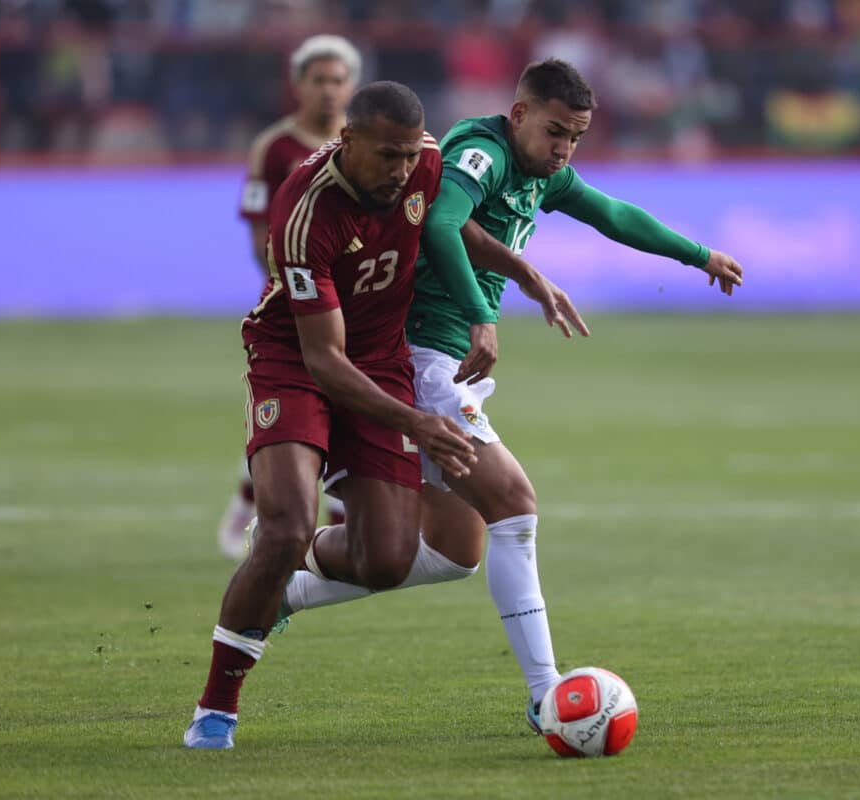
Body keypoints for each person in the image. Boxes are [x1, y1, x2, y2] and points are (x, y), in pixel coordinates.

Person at [272, 59, 743, 733]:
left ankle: (287, 587)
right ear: (519, 114)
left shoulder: (538, 172)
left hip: (442, 363)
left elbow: (610, 212)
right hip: (420, 357)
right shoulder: (481, 152)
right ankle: (546, 695)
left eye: (576, 138)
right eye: (555, 132)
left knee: (455, 552)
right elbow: (440, 222)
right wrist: (481, 313)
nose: (564, 150)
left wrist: (697, 255)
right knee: (514, 504)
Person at [183, 80, 572, 750]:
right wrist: (420, 423)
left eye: (406, 156)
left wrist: (524, 273)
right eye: (386, 156)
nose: (400, 171)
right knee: (285, 524)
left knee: (389, 559)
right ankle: (217, 708)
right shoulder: (304, 213)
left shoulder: (423, 160)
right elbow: (326, 360)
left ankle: (280, 578)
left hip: (381, 361)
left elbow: (453, 226)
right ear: (348, 141)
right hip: (296, 363)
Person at [216, 34, 361, 560]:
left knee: (347, 408)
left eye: (338, 80)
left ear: (352, 86)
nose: (328, 90)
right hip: (293, 305)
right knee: (294, 413)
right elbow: (260, 235)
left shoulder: (364, 143)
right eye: (318, 79)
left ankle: (344, 527)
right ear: (299, 84)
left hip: (358, 305)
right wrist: (301, 289)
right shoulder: (274, 148)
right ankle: (247, 502)